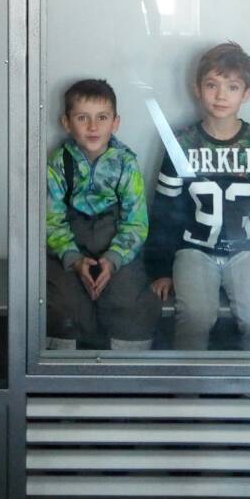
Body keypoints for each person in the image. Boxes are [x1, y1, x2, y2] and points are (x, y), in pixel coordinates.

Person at [146, 42, 250, 351]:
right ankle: (188, 382)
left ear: (246, 93)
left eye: (232, 87)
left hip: (248, 251)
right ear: (197, 89)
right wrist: (160, 269)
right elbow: (165, 210)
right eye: (212, 85)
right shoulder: (181, 142)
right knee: (196, 316)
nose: (221, 95)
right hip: (194, 250)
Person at [45, 79, 160, 351]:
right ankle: (65, 370)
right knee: (63, 303)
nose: (93, 127)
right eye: (82, 118)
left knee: (128, 300)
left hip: (118, 245)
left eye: (102, 118)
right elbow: (51, 219)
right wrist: (73, 259)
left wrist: (114, 258)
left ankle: (125, 369)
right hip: (71, 245)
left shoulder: (125, 162)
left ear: (115, 123)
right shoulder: (59, 162)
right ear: (66, 123)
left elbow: (136, 221)